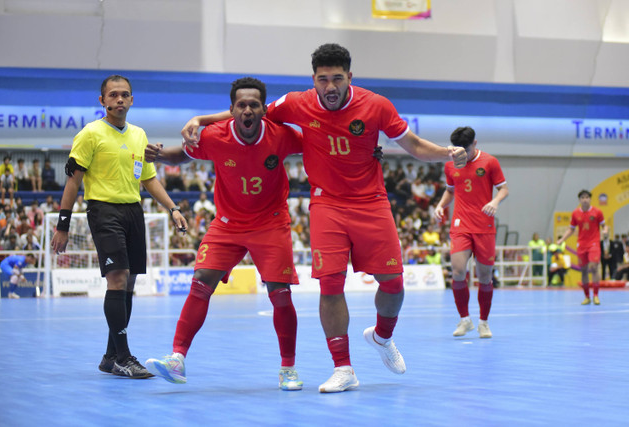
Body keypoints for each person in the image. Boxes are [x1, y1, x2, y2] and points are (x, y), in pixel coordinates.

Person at [182, 43, 467, 393]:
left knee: (393, 283)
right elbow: (250, 114)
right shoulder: (296, 103)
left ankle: (381, 336)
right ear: (313, 80)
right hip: (326, 204)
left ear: (350, 77)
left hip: (372, 203)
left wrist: (446, 155)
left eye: (336, 79)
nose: (330, 87)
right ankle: (343, 367)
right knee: (330, 285)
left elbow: (414, 145)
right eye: (323, 80)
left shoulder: (376, 105)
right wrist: (201, 120)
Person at [143, 77, 304, 390]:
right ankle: (177, 358)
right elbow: (182, 155)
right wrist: (159, 155)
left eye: (253, 105)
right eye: (241, 105)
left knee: (280, 293)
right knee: (202, 280)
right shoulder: (216, 135)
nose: (247, 110)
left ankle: (288, 369)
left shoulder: (282, 135)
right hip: (228, 223)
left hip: (271, 222)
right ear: (231, 110)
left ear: (263, 110)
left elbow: (319, 147)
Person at [50, 74, 187, 379]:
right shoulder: (89, 134)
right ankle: (124, 357)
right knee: (117, 278)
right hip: (103, 211)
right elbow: (73, 182)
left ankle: (110, 356)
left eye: (125, 95)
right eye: (113, 95)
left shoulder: (139, 135)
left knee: (129, 284)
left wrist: (173, 208)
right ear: (102, 101)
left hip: (133, 212)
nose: (119, 99)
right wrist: (63, 224)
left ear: (132, 100)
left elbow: (149, 179)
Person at [434, 126, 508, 339]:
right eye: (457, 150)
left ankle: (483, 322)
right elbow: (450, 191)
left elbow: (504, 189)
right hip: (460, 224)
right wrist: (441, 205)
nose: (460, 155)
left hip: (484, 226)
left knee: (484, 277)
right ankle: (464, 319)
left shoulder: (490, 162)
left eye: (464, 150)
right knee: (458, 271)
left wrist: (495, 201)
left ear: (474, 144)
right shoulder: (449, 165)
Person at [557, 189, 608, 305]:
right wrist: (562, 239)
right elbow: (571, 229)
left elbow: (604, 226)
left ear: (590, 199)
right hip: (581, 245)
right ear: (580, 200)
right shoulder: (575, 213)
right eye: (582, 198)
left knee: (594, 267)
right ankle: (587, 296)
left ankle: (596, 295)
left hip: (594, 244)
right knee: (584, 271)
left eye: (587, 197)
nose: (585, 200)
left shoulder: (597, 212)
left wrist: (605, 231)